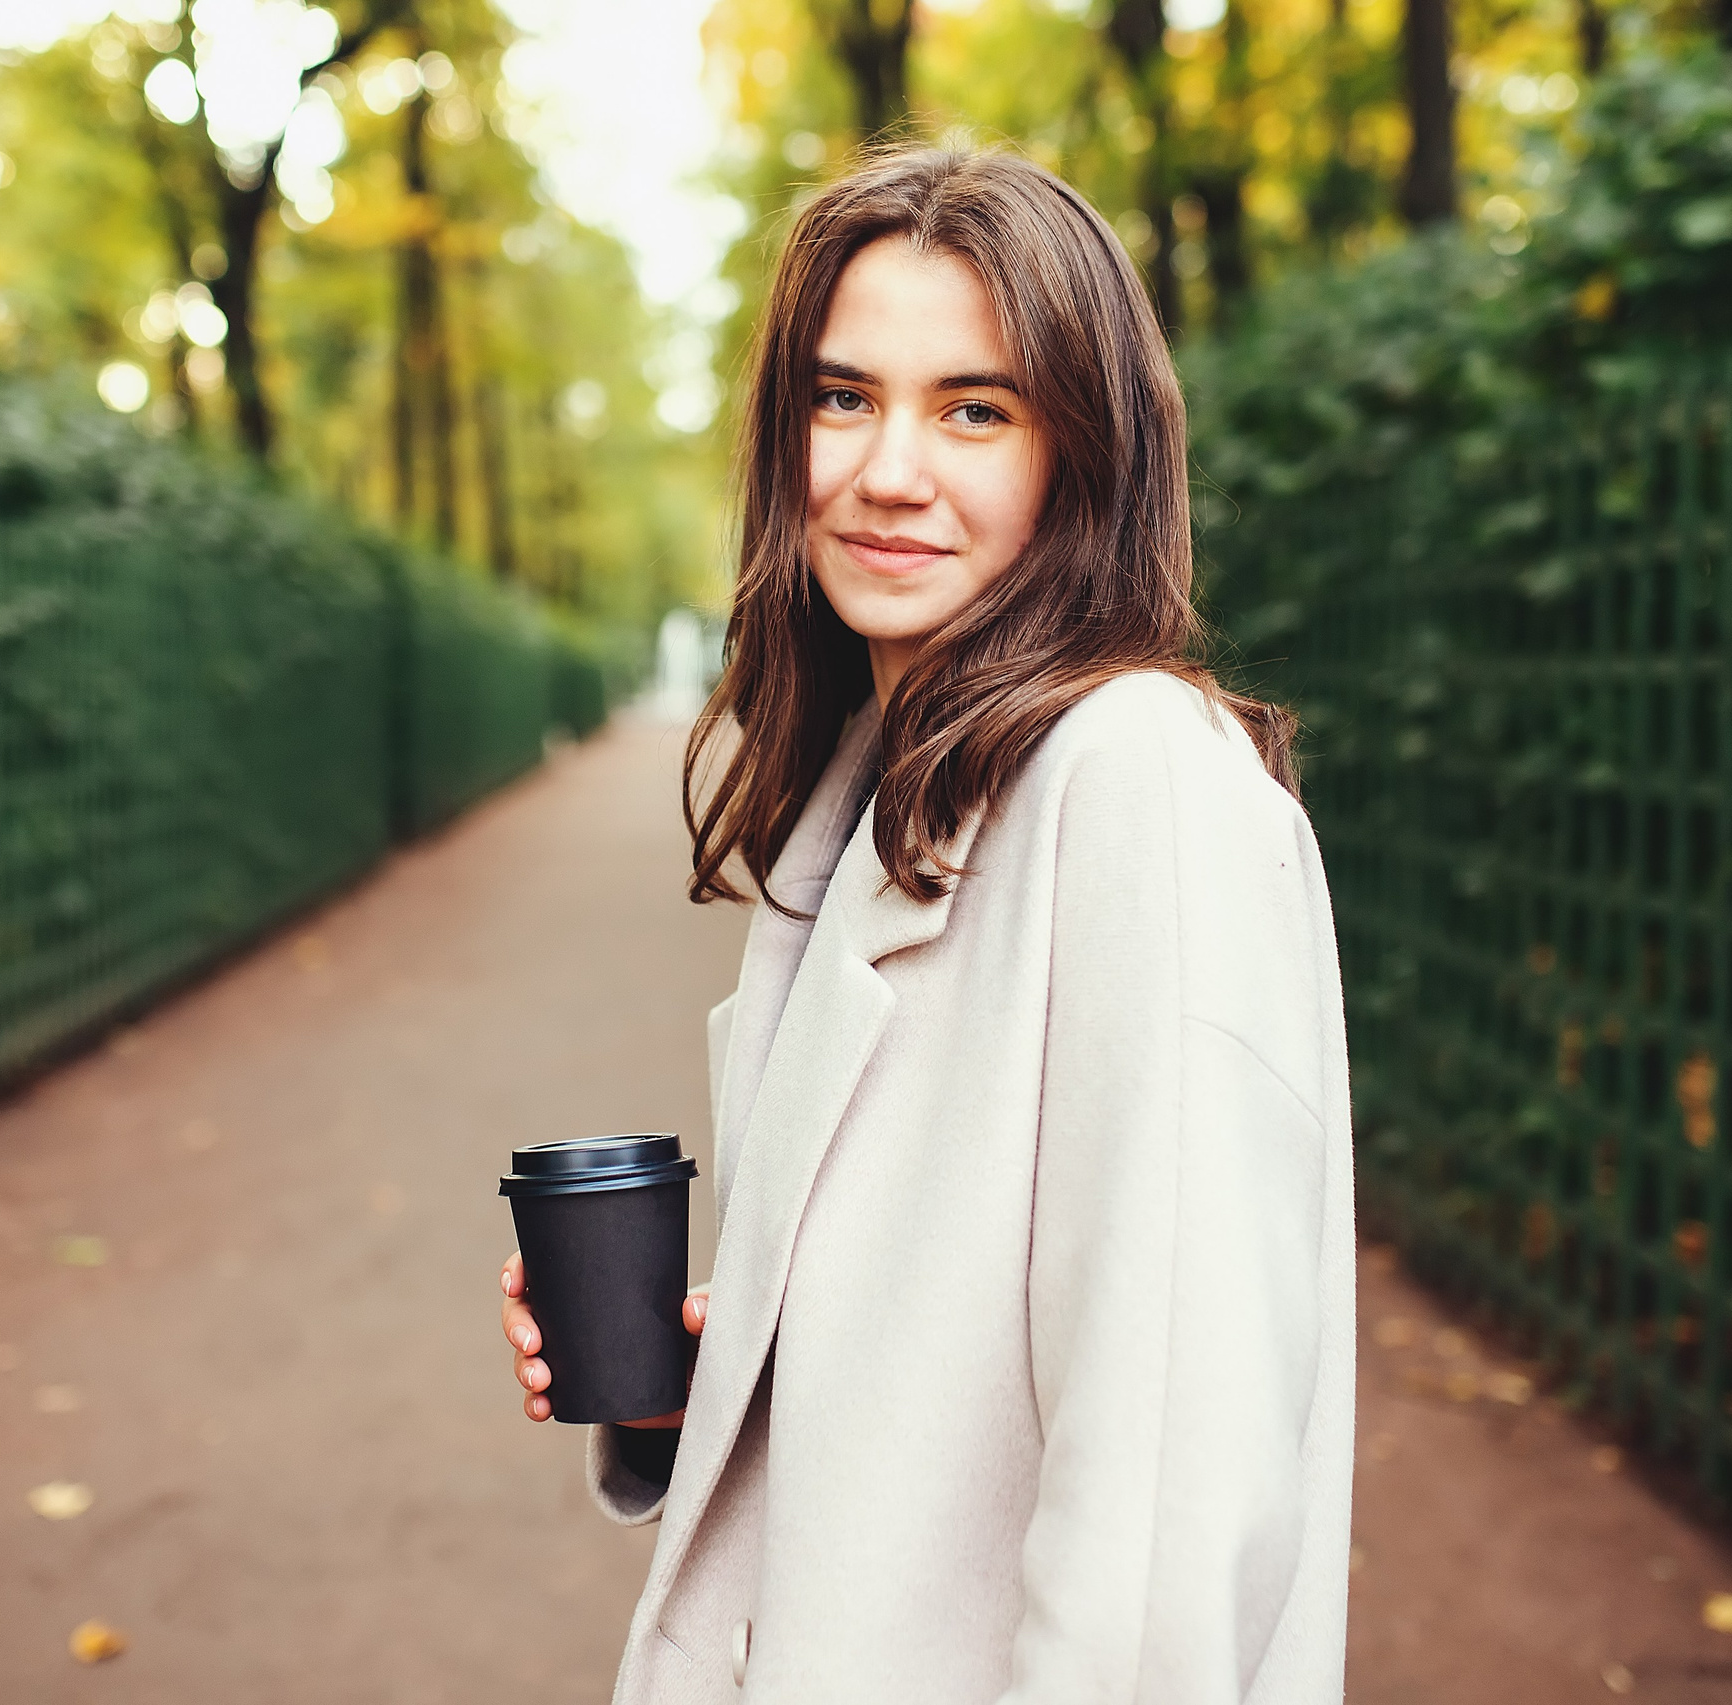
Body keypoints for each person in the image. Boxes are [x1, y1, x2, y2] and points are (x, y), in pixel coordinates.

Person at [497, 144, 1354, 1703]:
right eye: (842, 398)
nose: (888, 470)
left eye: (975, 407)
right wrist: (697, 1391)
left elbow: (1168, 1503)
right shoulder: (881, 798)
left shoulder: (1134, 782)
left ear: (1084, 454)